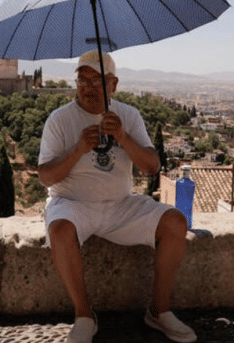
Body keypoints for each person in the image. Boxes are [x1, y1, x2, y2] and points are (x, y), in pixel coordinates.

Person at [37, 49, 196, 343]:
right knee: (59, 229)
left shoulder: (128, 115)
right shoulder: (59, 120)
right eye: (82, 81)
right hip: (73, 204)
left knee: (174, 222)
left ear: (114, 85)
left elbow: (151, 166)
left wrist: (123, 136)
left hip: (120, 205)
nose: (87, 88)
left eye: (96, 81)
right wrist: (77, 151)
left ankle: (159, 311)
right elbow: (46, 177)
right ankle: (84, 315)